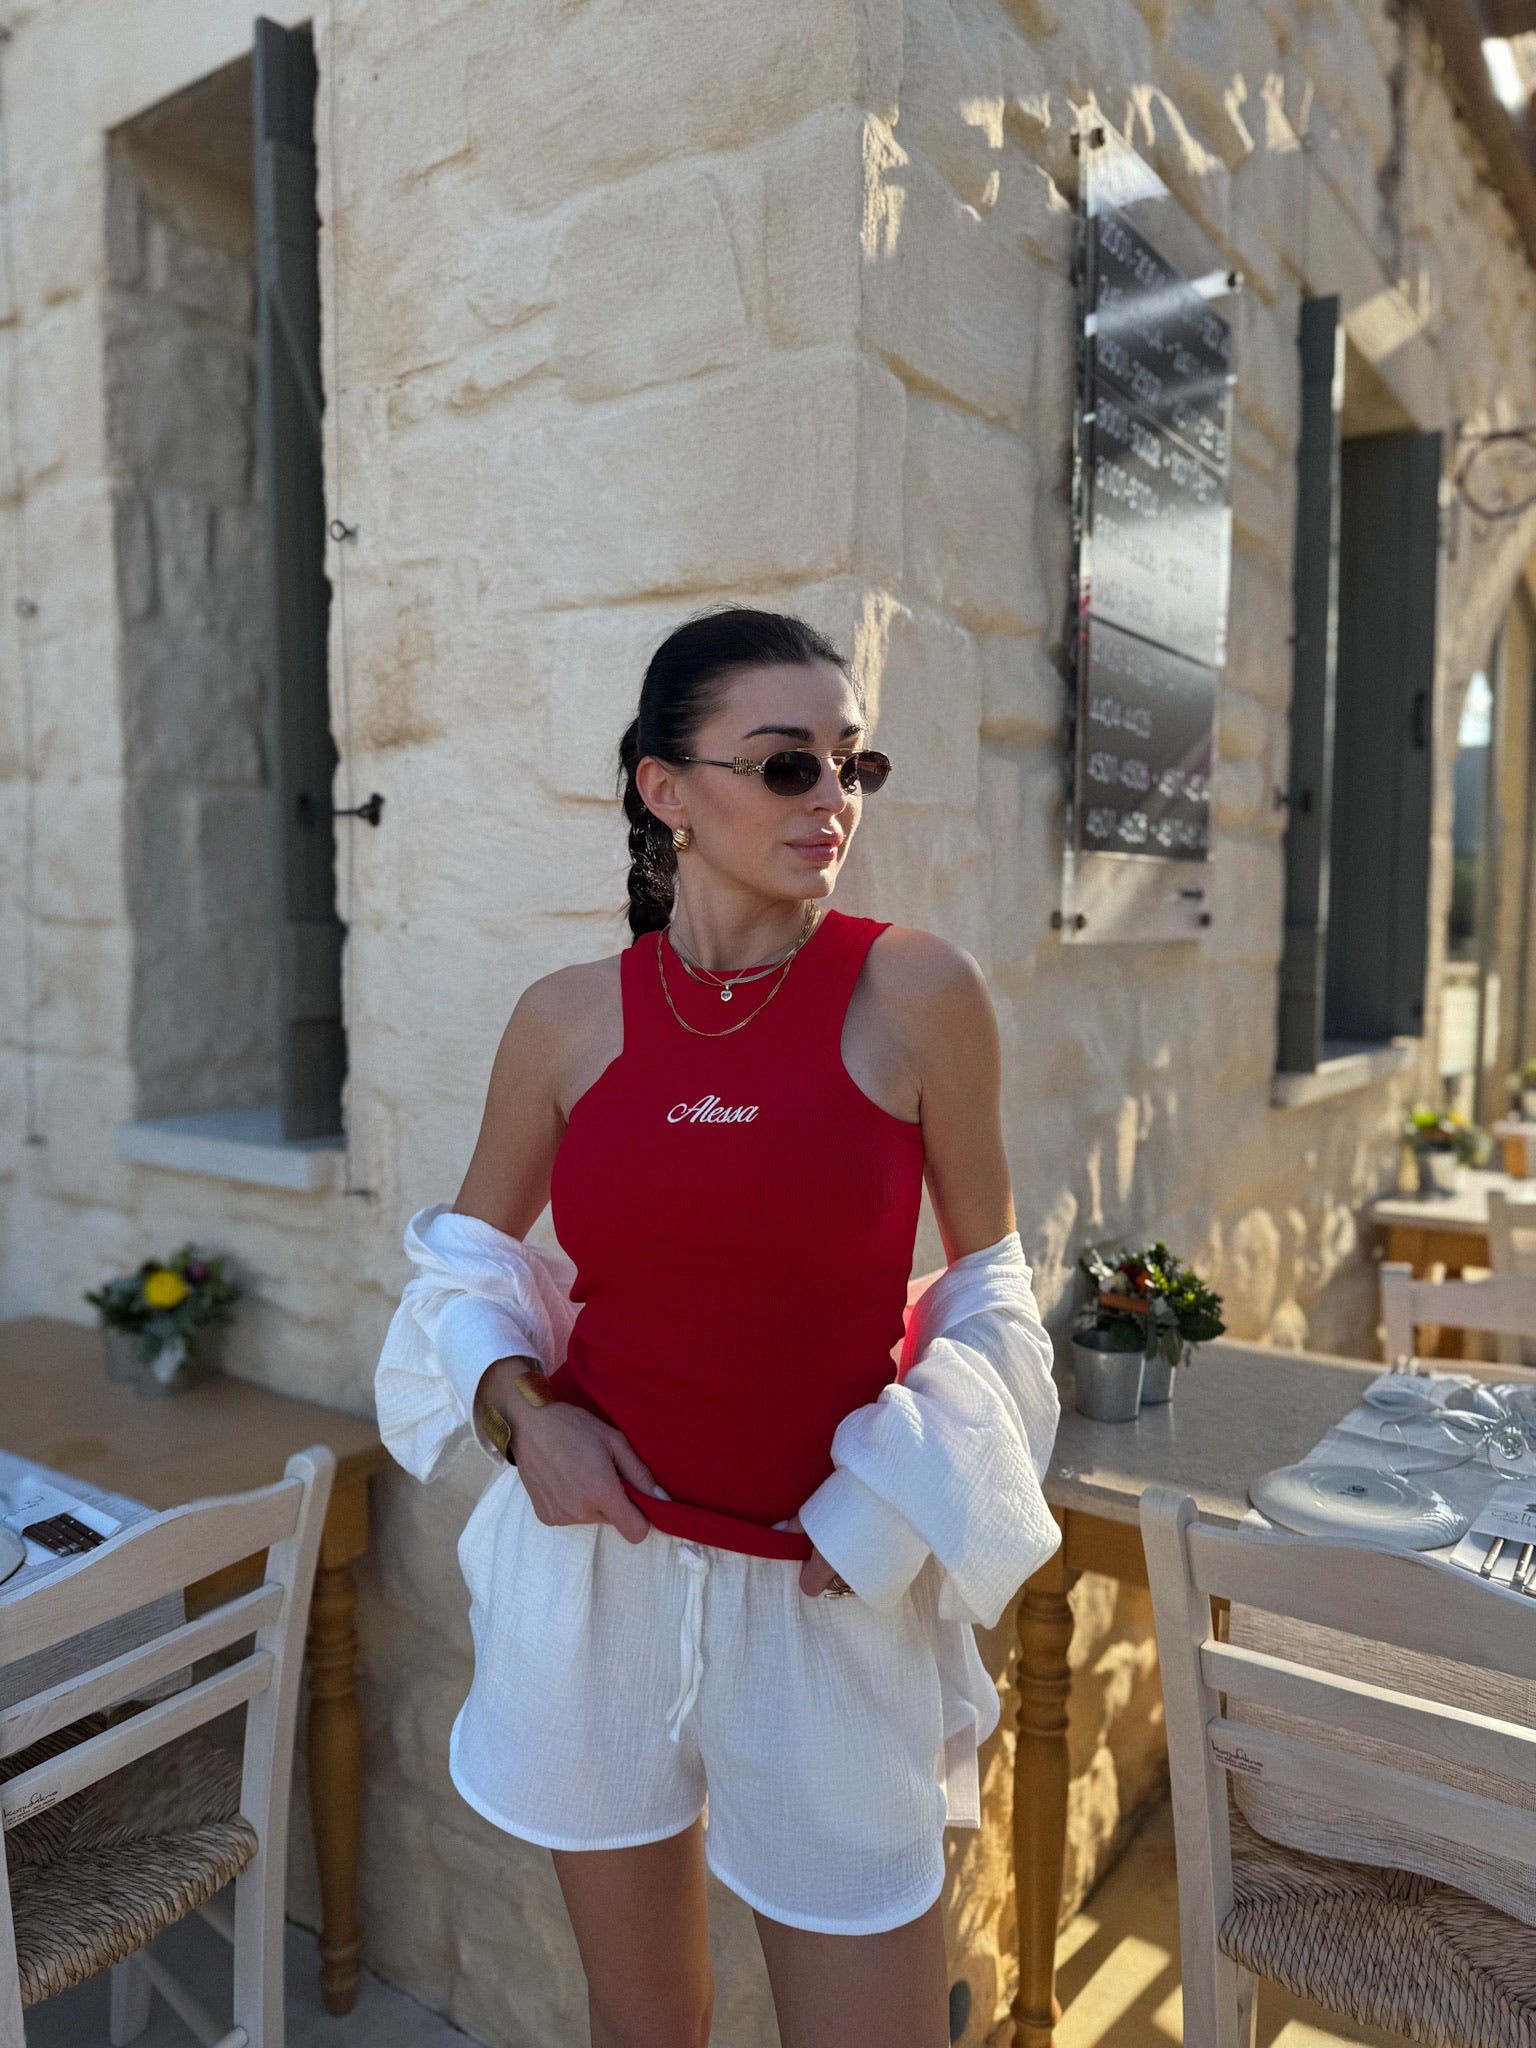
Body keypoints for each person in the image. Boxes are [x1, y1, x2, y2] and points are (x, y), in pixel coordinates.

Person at [375, 607, 1061, 2048]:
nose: (834, 801)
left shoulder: (918, 992)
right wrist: (523, 1418)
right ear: (665, 788)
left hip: (827, 1600)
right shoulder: (567, 1020)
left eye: (852, 765)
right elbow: (460, 1271)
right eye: (787, 764)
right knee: (646, 2022)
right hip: (601, 1587)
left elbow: (991, 1290)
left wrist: (884, 1510)